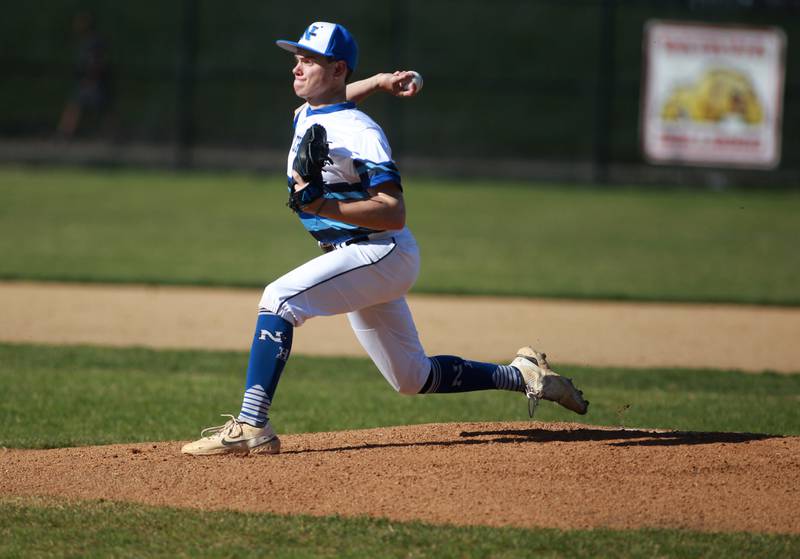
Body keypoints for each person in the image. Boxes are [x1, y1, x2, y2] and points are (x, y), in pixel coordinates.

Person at [182, 22, 588, 456]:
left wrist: (322, 207)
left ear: (336, 69)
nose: (296, 69)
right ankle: (523, 375)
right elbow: (337, 102)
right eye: (296, 59)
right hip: (359, 254)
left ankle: (251, 425)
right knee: (411, 378)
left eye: (308, 60)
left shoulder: (362, 133)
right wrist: (376, 81)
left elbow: (393, 212)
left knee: (279, 299)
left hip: (380, 250)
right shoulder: (309, 112)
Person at [56, 12, 114, 139]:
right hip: (88, 80)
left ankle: (65, 133)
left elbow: (96, 62)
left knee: (101, 108)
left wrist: (91, 77)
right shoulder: (88, 40)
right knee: (76, 106)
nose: (77, 26)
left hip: (92, 81)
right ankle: (65, 132)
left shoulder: (93, 42)